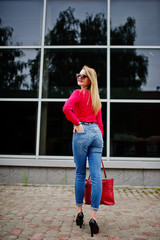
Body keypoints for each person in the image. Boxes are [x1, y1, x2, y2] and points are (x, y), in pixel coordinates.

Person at [63, 65, 103, 237]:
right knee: (96, 176)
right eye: (78, 74)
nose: (79, 77)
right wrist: (99, 141)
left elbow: (66, 109)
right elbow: (100, 124)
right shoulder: (96, 97)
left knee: (80, 174)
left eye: (83, 76)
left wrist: (77, 124)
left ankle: (80, 212)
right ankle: (93, 217)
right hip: (96, 134)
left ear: (89, 80)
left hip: (83, 133)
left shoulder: (77, 93)